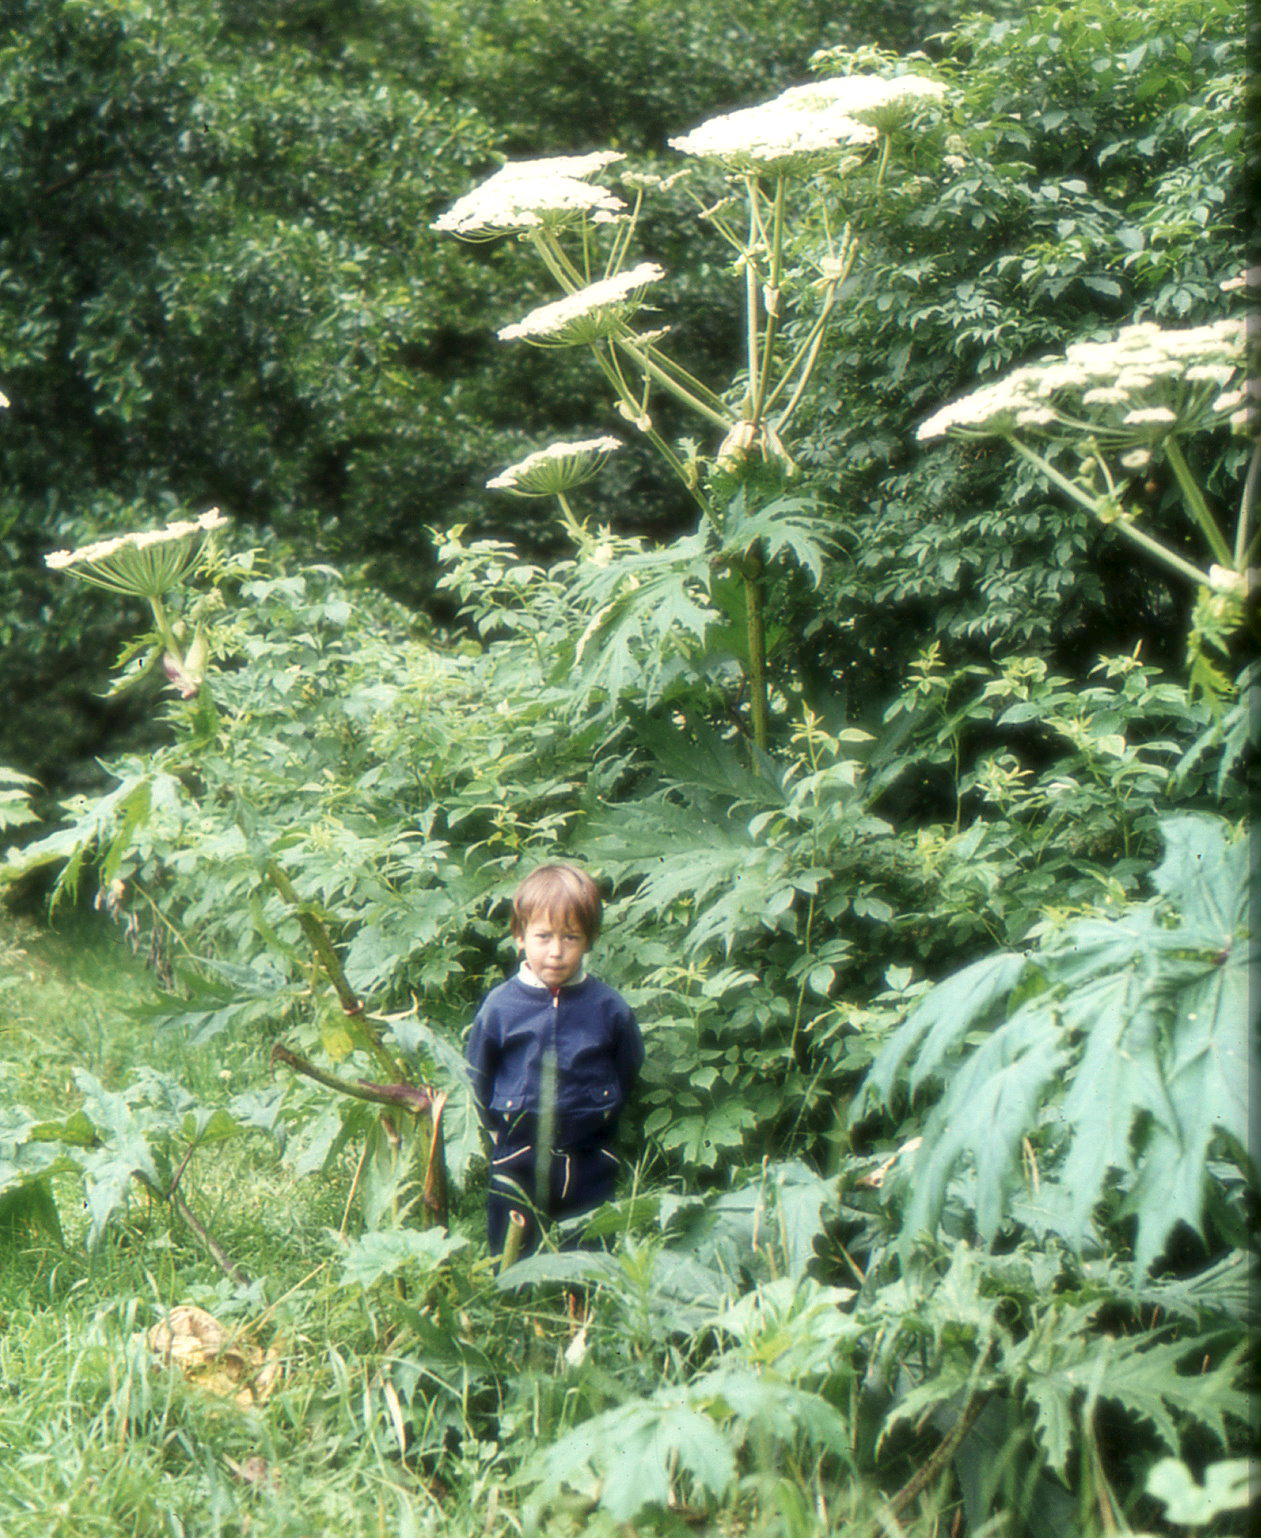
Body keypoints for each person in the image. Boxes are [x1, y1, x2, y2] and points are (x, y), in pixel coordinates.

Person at [465, 863, 643, 1258]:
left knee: (591, 1236)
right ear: (519, 936)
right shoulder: (501, 1006)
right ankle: (510, 1297)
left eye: (571, 937)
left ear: (589, 940)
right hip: (518, 1146)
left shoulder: (608, 1007)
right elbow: (478, 1070)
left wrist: (605, 1109)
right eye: (543, 937)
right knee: (510, 1234)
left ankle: (586, 1300)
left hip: (590, 1148)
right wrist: (495, 1129)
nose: (557, 952)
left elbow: (628, 1062)